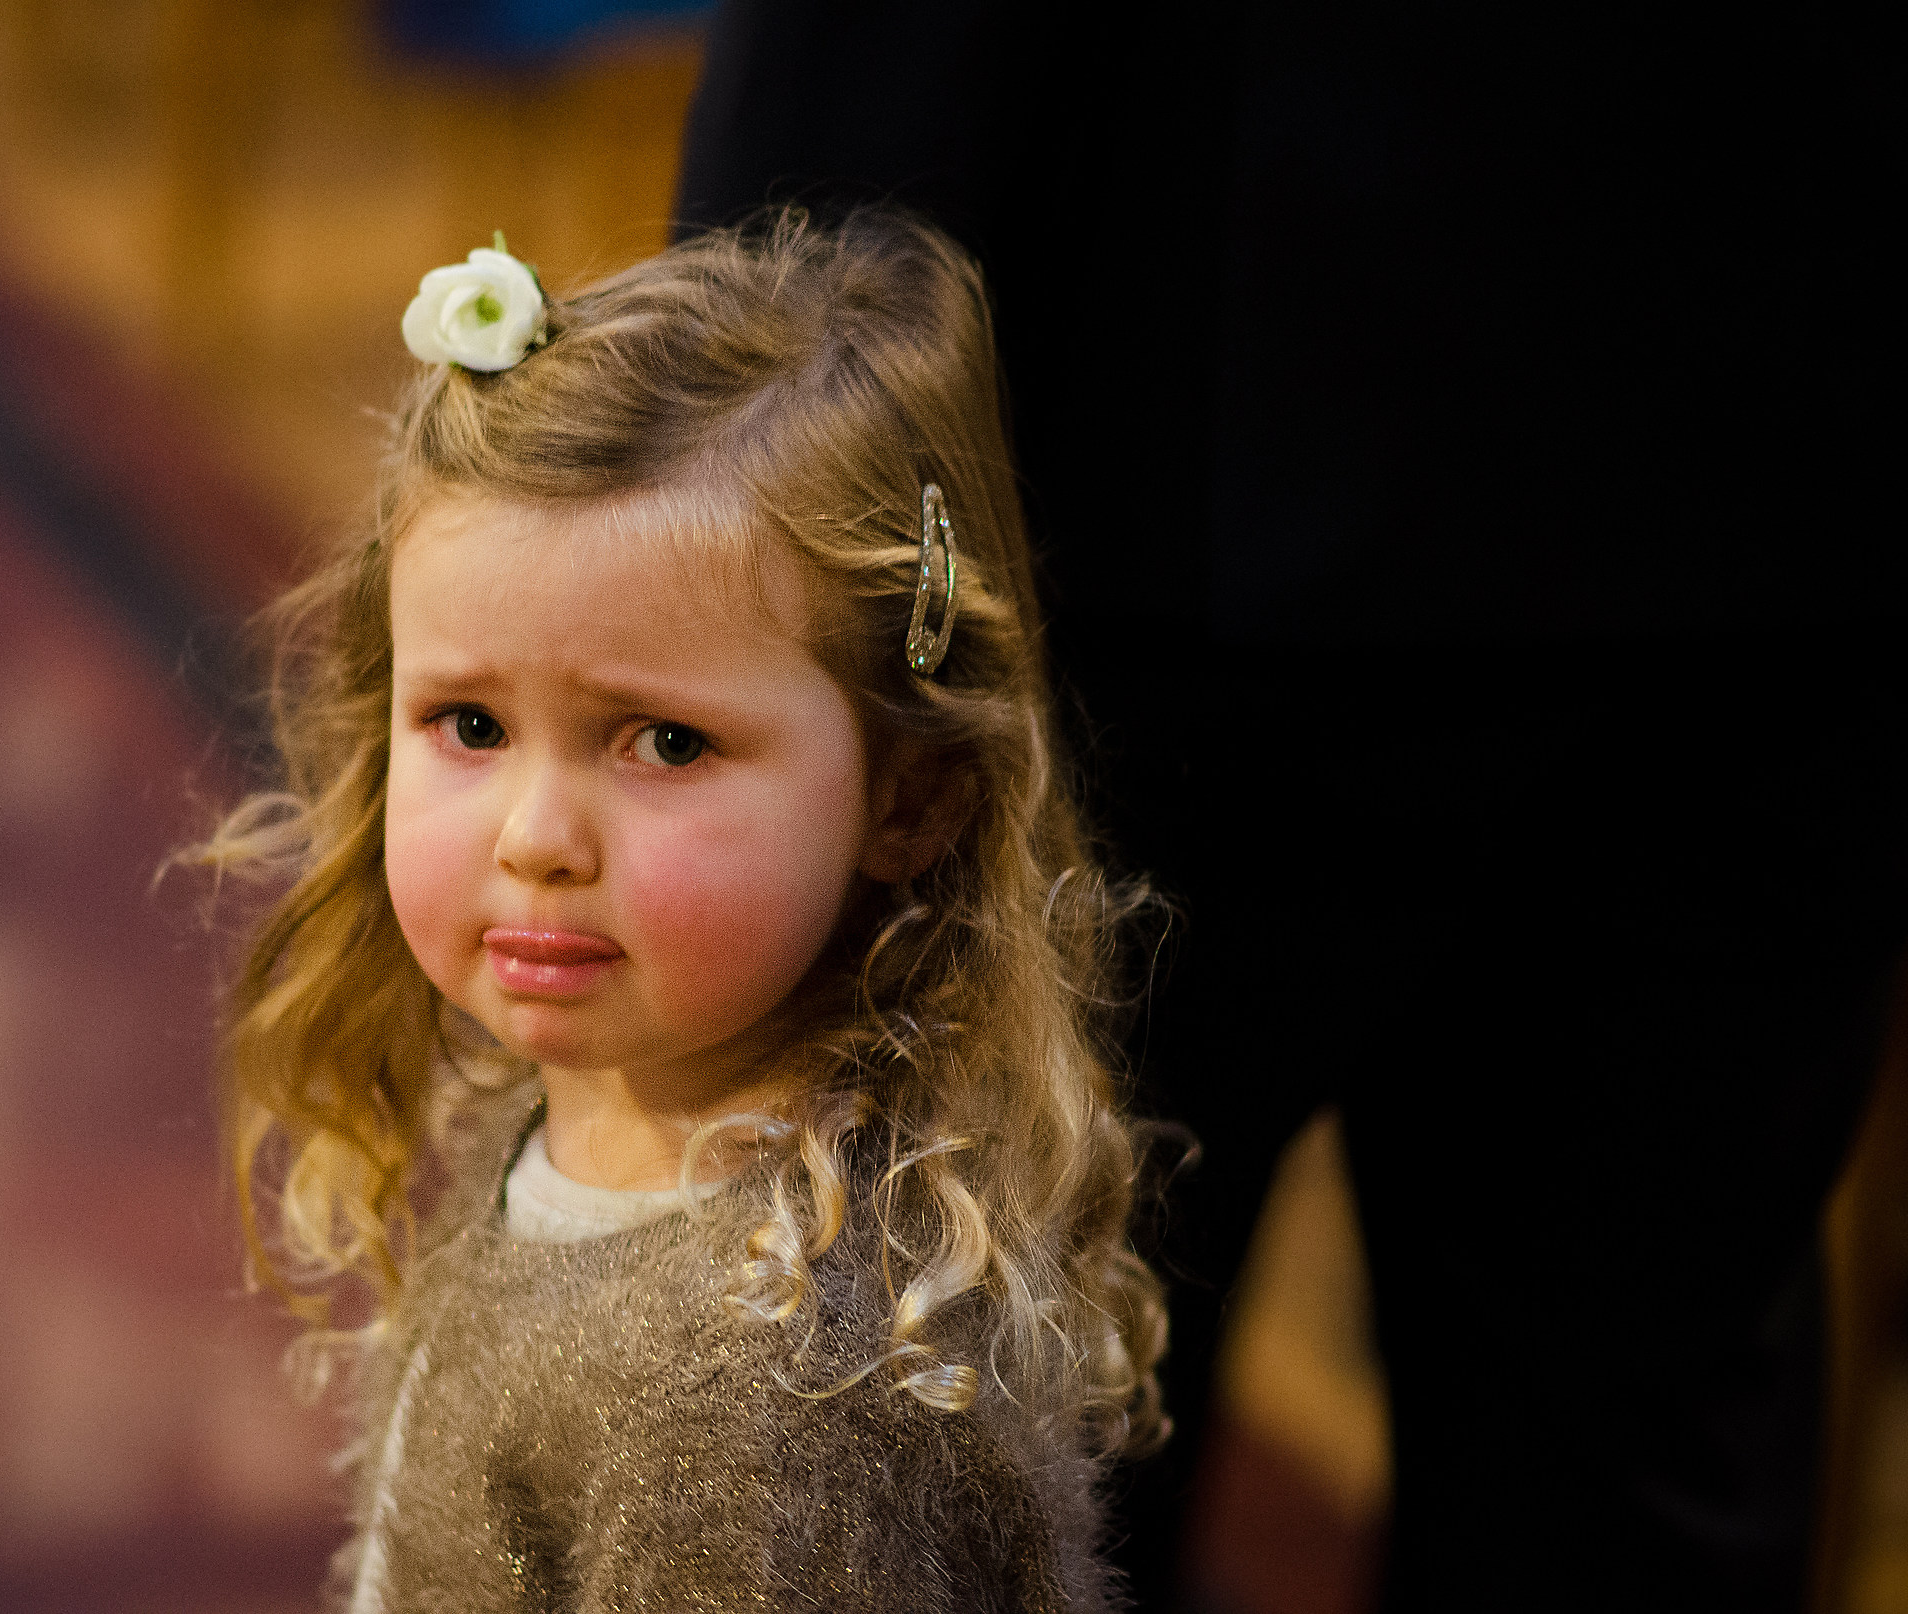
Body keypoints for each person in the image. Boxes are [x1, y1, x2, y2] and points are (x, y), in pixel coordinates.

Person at [675, 4, 1907, 1609]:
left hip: (1164, 455)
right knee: (1022, 1428)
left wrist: (748, 430)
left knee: (1001, 1435)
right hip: (1762, 426)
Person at [200, 211, 1175, 1612]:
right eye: (469, 722)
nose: (536, 838)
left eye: (662, 743)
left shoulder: (781, 1389)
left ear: (911, 800)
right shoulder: (587, 1110)